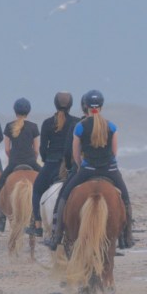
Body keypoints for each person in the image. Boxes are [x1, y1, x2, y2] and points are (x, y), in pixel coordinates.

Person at [43, 89, 133, 250]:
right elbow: (114, 153)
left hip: (87, 170)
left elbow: (76, 155)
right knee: (125, 197)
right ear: (101, 107)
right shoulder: (111, 126)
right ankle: (126, 236)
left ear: (85, 106)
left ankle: (56, 236)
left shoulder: (80, 126)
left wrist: (82, 166)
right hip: (110, 170)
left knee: (63, 195)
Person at [24, 91, 79, 237]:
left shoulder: (48, 123)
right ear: (71, 105)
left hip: (51, 164)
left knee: (36, 190)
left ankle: (37, 225)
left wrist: (46, 160)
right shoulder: (77, 122)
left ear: (55, 104)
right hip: (71, 165)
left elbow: (43, 148)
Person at [0, 97, 41, 232]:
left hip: (14, 163)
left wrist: (12, 159)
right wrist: (32, 159)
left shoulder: (8, 126)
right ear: (28, 111)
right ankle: (39, 219)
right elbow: (36, 150)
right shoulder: (34, 127)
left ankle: (0, 220)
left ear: (15, 111)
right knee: (48, 184)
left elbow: (7, 149)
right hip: (31, 162)